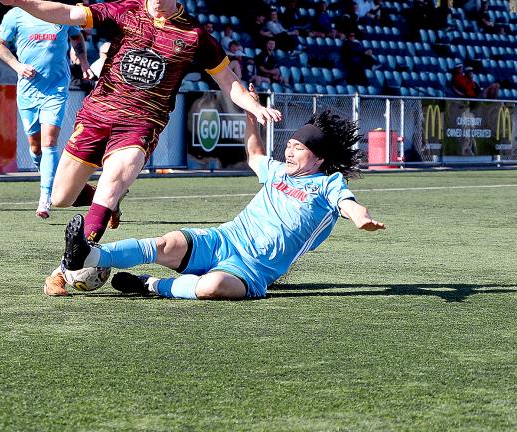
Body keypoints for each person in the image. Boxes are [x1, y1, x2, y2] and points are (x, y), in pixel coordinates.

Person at [0, 0, 281, 296]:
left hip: (140, 123)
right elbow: (65, 13)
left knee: (112, 183)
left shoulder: (195, 37)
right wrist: (18, 0)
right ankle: (104, 203)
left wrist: (252, 105)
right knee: (62, 197)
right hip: (97, 114)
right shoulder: (124, 12)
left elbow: (229, 81)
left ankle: (68, 268)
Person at [59, 99, 385, 300]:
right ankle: (88, 256)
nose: (289, 150)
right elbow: (255, 152)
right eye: (290, 144)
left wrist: (360, 218)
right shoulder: (277, 172)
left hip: (253, 268)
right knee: (167, 242)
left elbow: (347, 203)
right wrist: (249, 114)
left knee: (212, 287)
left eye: (299, 148)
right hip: (225, 239)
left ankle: (151, 285)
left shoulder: (328, 184)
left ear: (318, 159)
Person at [0, 0, 92, 219]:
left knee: (49, 142)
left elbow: (77, 36)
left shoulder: (61, 12)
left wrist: (83, 60)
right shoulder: (16, 14)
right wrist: (17, 67)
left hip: (56, 88)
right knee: (35, 147)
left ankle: (45, 198)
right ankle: (56, 181)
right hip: (27, 90)